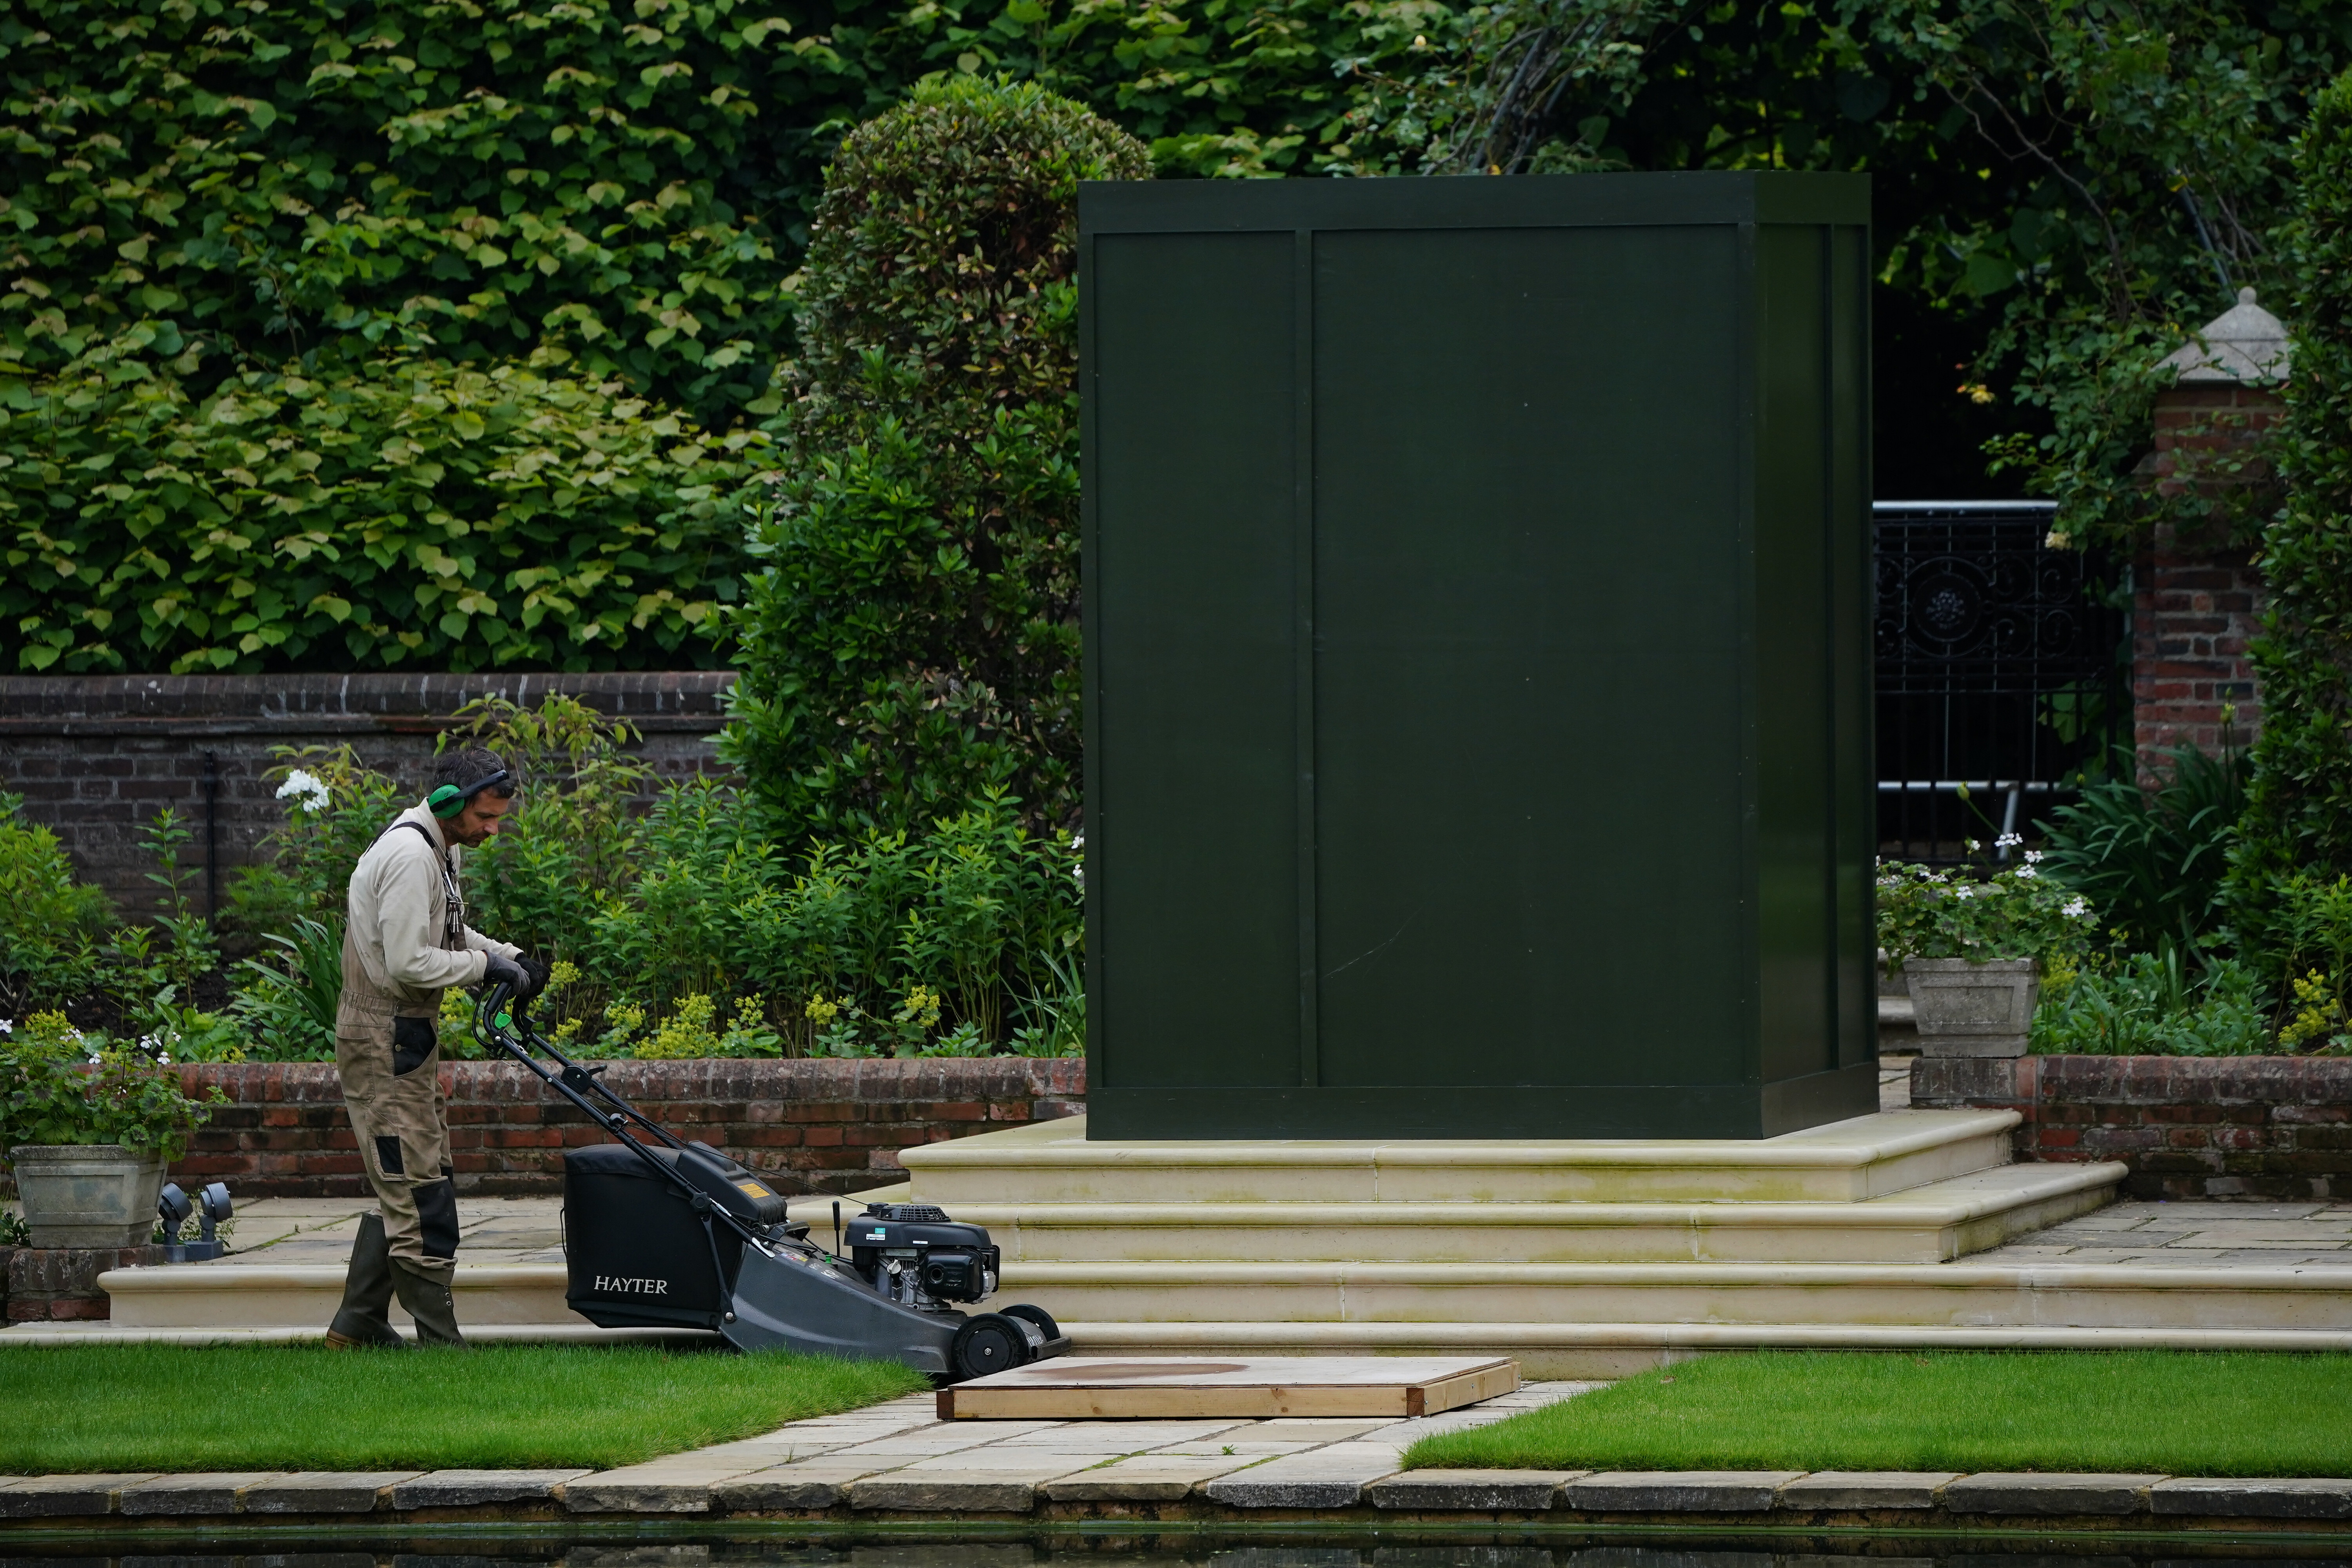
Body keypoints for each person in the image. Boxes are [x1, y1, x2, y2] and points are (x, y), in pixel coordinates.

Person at [324, 747, 546, 1347]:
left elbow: (442, 932)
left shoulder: (439, 847)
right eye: (488, 817)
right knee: (417, 1186)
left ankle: (358, 1324)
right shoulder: (408, 856)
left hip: (408, 1036)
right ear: (450, 803)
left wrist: (508, 956)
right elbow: (409, 961)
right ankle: (441, 1343)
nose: (494, 830)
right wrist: (484, 966)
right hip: (383, 1033)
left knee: (421, 1172)